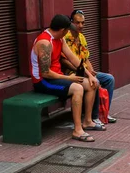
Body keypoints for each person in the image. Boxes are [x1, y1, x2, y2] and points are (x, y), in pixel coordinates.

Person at [31, 14, 99, 143]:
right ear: (62, 30)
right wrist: (69, 79)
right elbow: (45, 73)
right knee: (77, 88)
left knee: (91, 84)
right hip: (43, 81)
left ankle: (87, 121)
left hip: (57, 77)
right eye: (68, 29)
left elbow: (73, 59)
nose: (69, 32)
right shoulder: (45, 43)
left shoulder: (60, 39)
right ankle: (77, 130)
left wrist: (89, 75)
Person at [63, 10, 117, 125]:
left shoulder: (82, 37)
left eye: (83, 23)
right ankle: (95, 116)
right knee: (95, 82)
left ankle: (104, 113)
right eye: (77, 23)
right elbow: (64, 61)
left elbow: (86, 58)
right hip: (70, 73)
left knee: (109, 78)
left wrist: (91, 71)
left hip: (84, 71)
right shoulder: (65, 38)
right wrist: (85, 72)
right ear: (71, 22)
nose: (80, 26)